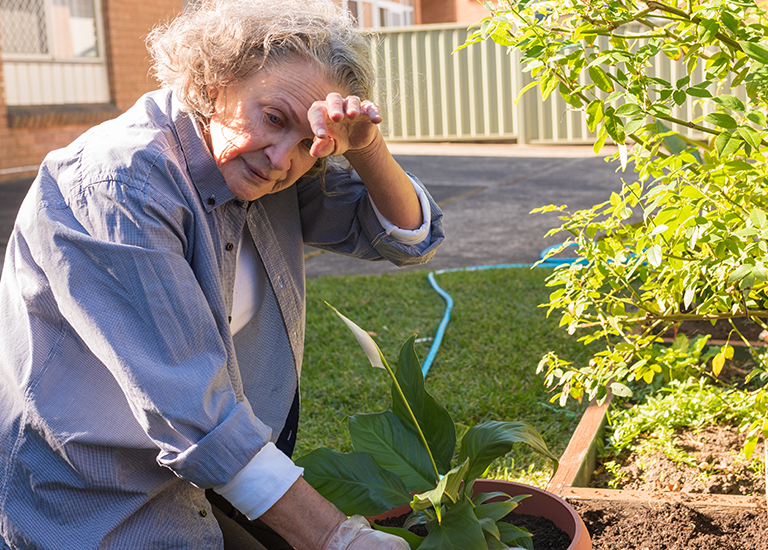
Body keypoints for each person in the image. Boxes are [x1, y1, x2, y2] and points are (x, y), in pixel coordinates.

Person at [0, 0, 443, 548]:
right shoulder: (117, 188)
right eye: (275, 118)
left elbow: (408, 239)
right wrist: (336, 537)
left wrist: (367, 146)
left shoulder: (261, 163)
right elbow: (191, 409)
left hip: (220, 477)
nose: (283, 159)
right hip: (96, 499)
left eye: (308, 142)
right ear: (214, 81)